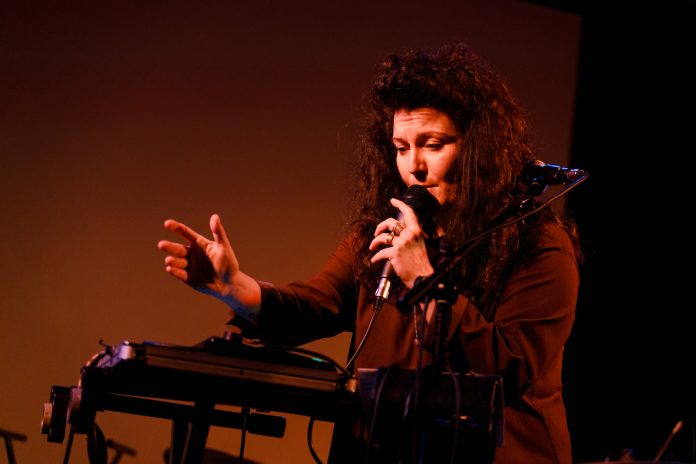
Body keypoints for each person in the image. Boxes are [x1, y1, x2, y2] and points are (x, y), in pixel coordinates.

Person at [158, 43, 581, 464]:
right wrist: (235, 288)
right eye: (401, 148)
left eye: (433, 145)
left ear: (478, 148)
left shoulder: (537, 243)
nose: (413, 166)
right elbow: (315, 304)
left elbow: (510, 368)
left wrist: (423, 279)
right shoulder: (380, 234)